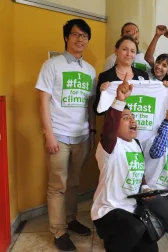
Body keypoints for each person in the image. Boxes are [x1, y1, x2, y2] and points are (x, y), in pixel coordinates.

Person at [35, 19, 96, 252]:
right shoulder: (52, 65)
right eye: (75, 35)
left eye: (84, 36)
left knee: (74, 183)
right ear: (66, 38)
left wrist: (91, 131)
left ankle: (71, 219)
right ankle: (59, 230)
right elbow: (42, 101)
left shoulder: (90, 70)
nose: (80, 39)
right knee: (57, 186)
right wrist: (48, 134)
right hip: (58, 135)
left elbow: (90, 106)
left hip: (81, 135)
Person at [91, 81, 158, 252]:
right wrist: (119, 100)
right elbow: (109, 129)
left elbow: (140, 170)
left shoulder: (135, 143)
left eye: (133, 117)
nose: (133, 120)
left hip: (131, 210)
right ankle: (111, 241)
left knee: (151, 247)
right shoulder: (109, 145)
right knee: (134, 229)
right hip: (108, 211)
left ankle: (113, 240)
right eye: (126, 118)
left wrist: (145, 187)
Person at [93, 36, 149, 115]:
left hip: (137, 125)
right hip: (114, 125)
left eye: (132, 51)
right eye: (124, 49)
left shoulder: (143, 75)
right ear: (116, 51)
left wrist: (163, 86)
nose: (128, 54)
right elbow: (98, 112)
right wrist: (102, 94)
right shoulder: (105, 76)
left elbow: (149, 101)